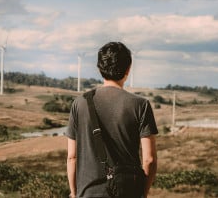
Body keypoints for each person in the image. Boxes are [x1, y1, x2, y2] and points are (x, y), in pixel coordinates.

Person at [66, 41, 158, 198]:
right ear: (128, 69)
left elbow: (72, 157)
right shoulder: (141, 105)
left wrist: (74, 193)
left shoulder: (79, 103)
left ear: (99, 68)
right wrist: (141, 194)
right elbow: (149, 159)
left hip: (88, 193)